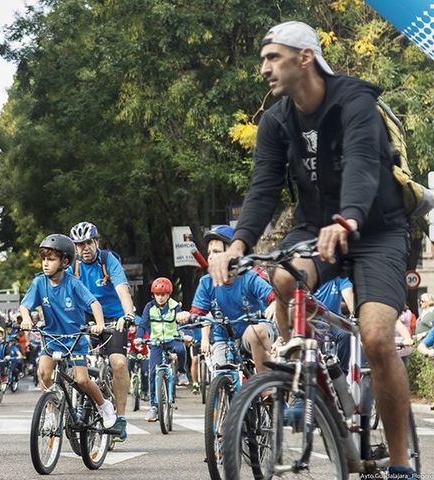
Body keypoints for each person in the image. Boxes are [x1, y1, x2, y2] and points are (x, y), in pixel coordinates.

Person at [207, 21, 414, 479]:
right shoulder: (276, 120)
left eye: (272, 57)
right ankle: (299, 368)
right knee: (282, 275)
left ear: (305, 58)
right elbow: (263, 189)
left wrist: (349, 217)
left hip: (376, 228)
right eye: (262, 58)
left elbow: (362, 162)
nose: (264, 68)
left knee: (378, 337)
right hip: (315, 228)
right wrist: (237, 245)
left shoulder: (354, 100)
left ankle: (400, 463)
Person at [20, 234, 117, 428]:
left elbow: (94, 304)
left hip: (75, 340)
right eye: (44, 259)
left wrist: (98, 324)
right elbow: (25, 306)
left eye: (51, 259)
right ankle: (50, 412)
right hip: (51, 338)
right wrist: (26, 318)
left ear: (64, 261)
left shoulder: (73, 283)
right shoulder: (39, 283)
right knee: (44, 373)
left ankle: (104, 405)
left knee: (82, 380)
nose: (45, 264)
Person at [178, 226, 277, 375]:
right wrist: (187, 316)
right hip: (223, 336)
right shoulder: (206, 282)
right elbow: (198, 312)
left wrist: (275, 303)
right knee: (220, 375)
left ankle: (267, 392)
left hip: (253, 334)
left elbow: (273, 296)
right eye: (209, 252)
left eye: (217, 252)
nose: (211, 256)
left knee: (256, 331)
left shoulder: (249, 278)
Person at [69, 221, 134, 441]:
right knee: (73, 362)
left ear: (96, 242)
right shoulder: (72, 266)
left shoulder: (108, 261)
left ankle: (121, 417)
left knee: (118, 363)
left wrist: (128, 315)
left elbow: (122, 289)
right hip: (85, 318)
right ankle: (78, 403)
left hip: (114, 319)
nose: (84, 248)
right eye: (79, 244)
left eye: (88, 242)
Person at [135, 277, 188, 422]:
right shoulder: (149, 307)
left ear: (169, 294)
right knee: (152, 372)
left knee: (181, 350)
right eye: (157, 294)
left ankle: (182, 373)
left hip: (172, 339)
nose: (160, 297)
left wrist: (186, 335)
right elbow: (143, 324)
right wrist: (139, 337)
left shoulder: (175, 306)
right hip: (156, 342)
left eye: (163, 294)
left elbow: (181, 322)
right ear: (153, 294)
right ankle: (154, 407)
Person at [314, 277, 355, 372]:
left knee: (347, 334)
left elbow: (348, 295)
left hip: (335, 320)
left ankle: (342, 372)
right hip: (313, 319)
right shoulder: (312, 275)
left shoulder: (339, 276)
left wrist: (355, 314)